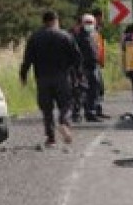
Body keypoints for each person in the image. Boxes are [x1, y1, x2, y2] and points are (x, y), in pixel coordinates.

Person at [19, 10, 82, 149]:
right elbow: (77, 58)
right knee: (66, 104)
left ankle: (51, 139)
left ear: (43, 21)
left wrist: (23, 76)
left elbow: (27, 60)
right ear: (56, 20)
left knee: (46, 109)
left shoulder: (34, 37)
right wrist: (78, 75)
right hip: (62, 77)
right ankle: (63, 121)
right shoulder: (66, 36)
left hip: (42, 78)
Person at [70, 14, 101, 121]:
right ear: (82, 23)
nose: (89, 25)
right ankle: (77, 113)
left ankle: (90, 112)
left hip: (92, 65)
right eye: (87, 23)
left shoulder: (93, 34)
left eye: (91, 23)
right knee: (80, 90)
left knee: (93, 89)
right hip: (82, 66)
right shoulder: (78, 36)